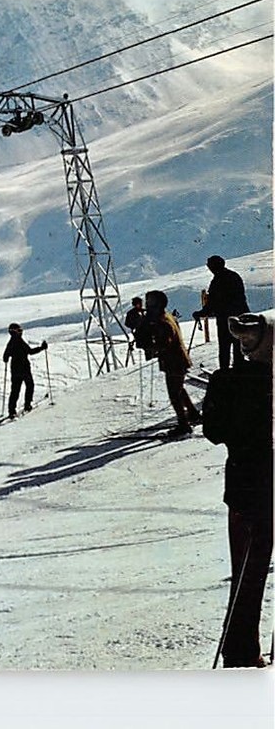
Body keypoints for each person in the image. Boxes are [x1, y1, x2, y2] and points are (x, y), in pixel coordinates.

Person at [201, 312, 273, 668]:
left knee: (247, 573)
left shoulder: (226, 380)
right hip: (259, 487)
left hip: (245, 491)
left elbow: (212, 431)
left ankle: (242, 652)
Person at [139, 289, 200, 437]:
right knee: (179, 389)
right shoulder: (167, 317)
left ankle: (184, 424)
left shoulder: (162, 322)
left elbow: (164, 343)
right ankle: (192, 414)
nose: (147, 307)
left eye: (149, 303)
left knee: (174, 393)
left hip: (174, 361)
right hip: (177, 360)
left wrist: (149, 346)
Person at [193, 256, 251, 370]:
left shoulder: (217, 281)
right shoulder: (234, 276)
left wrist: (200, 313)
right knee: (238, 345)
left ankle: (224, 373)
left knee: (224, 348)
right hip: (239, 318)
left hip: (224, 320)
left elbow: (212, 304)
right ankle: (239, 370)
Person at [2, 324, 47, 418]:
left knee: (15, 390)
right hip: (24, 368)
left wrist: (7, 358)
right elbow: (30, 351)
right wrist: (42, 348)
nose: (21, 332)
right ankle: (27, 405)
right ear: (14, 331)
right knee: (30, 385)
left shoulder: (11, 342)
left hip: (15, 370)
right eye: (19, 330)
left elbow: (5, 356)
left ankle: (12, 411)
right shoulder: (19, 341)